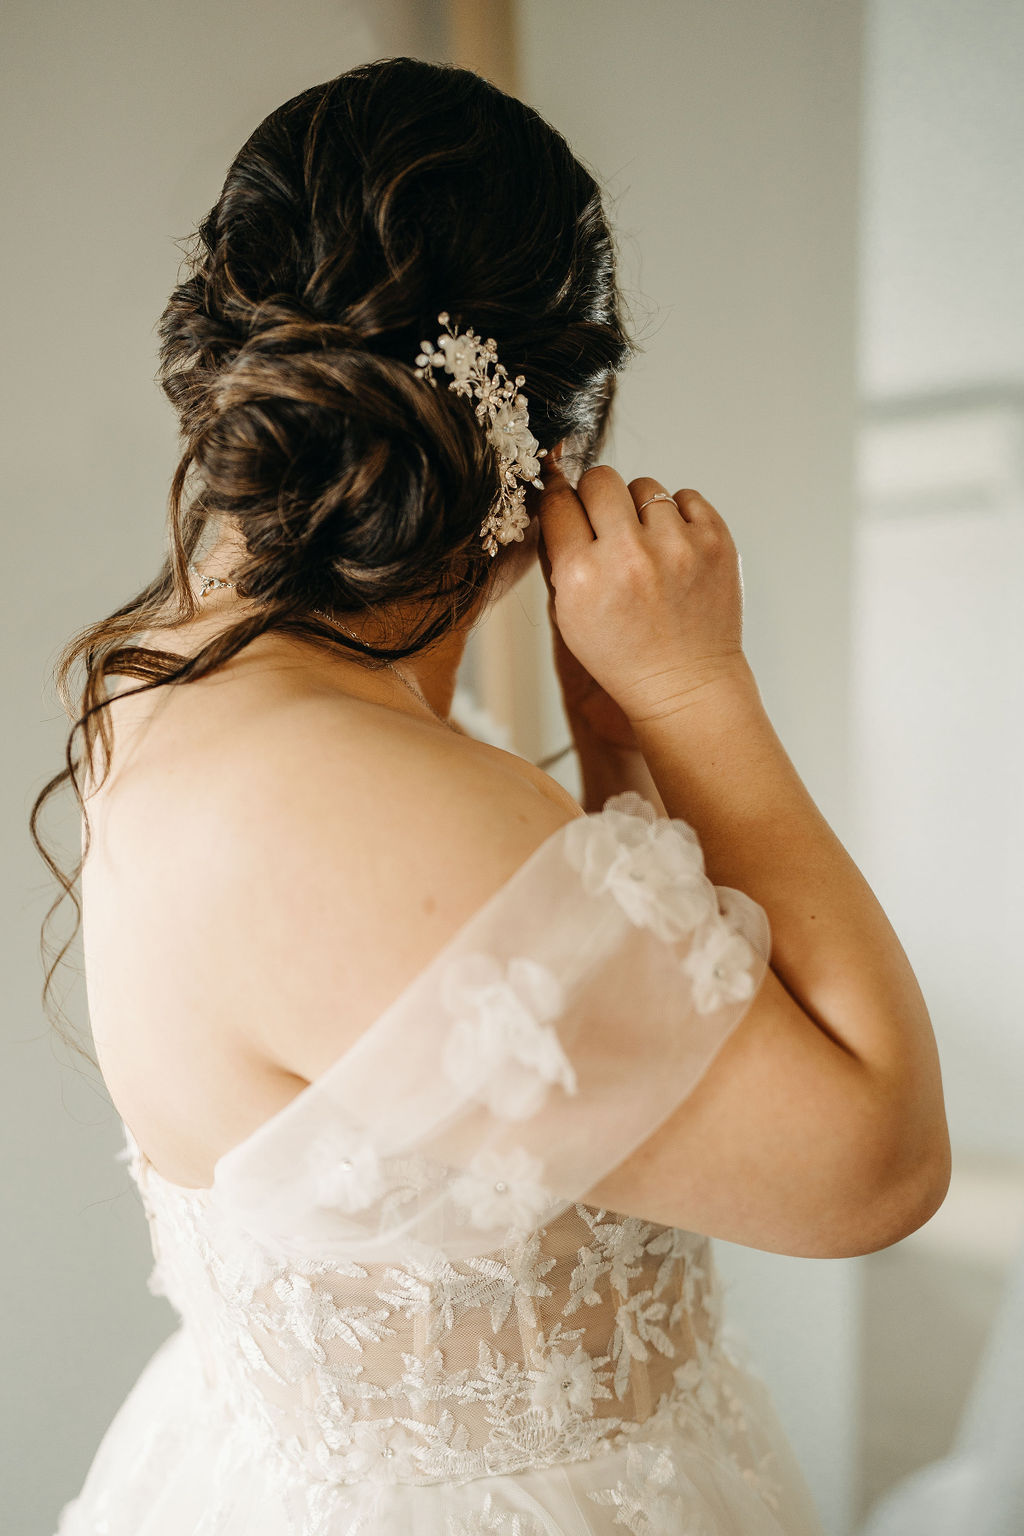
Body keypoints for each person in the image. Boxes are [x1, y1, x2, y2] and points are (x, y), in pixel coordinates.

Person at [36, 56, 950, 1536]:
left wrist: (616, 734)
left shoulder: (171, 678)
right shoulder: (365, 802)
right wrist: (699, 695)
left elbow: (623, 1024)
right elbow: (882, 1166)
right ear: (554, 445)